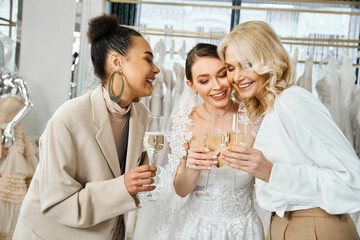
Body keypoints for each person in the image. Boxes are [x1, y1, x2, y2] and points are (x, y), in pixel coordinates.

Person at [13, 14, 160, 240]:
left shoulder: (142, 116)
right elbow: (56, 203)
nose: (156, 69)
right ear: (117, 61)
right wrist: (124, 186)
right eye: (148, 60)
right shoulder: (67, 119)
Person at [218, 21, 360, 240]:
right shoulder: (269, 109)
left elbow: (353, 180)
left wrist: (271, 172)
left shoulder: (293, 102)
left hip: (315, 227)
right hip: (284, 224)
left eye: (246, 64)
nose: (237, 77)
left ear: (268, 60)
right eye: (230, 68)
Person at [134, 43, 264, 240]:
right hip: (195, 229)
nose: (217, 86)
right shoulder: (184, 122)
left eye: (222, 75)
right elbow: (181, 190)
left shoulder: (255, 118)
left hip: (243, 229)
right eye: (204, 81)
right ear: (192, 86)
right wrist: (193, 169)